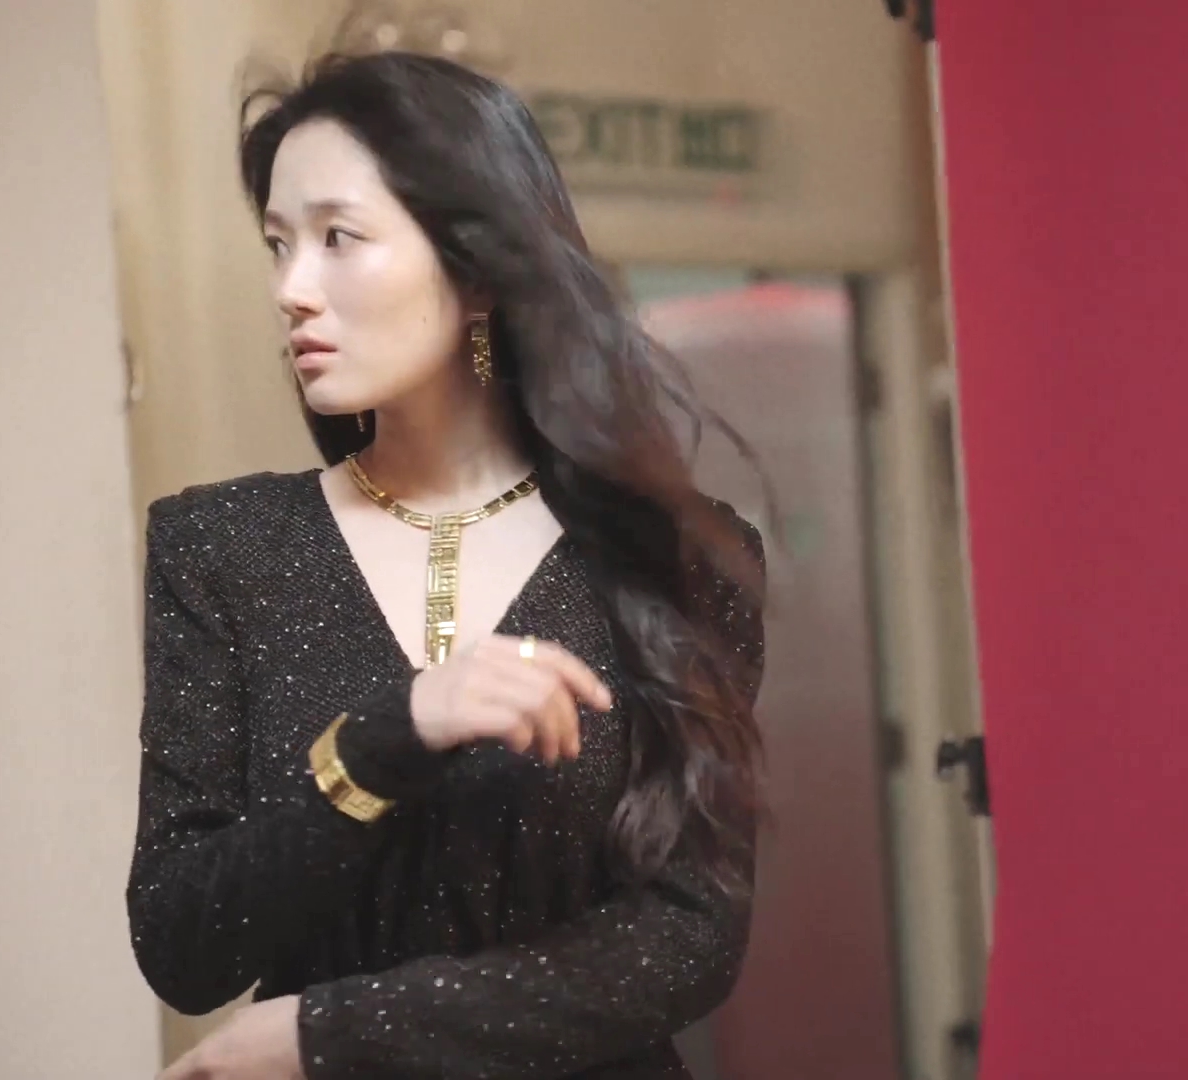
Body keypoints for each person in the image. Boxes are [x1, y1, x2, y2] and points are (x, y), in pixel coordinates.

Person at [127, 50, 767, 1080]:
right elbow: (183, 945)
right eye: (278, 244)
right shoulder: (221, 548)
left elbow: (685, 940)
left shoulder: (678, 557)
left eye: (338, 238)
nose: (292, 289)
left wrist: (327, 1034)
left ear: (476, 268)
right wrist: (389, 740)